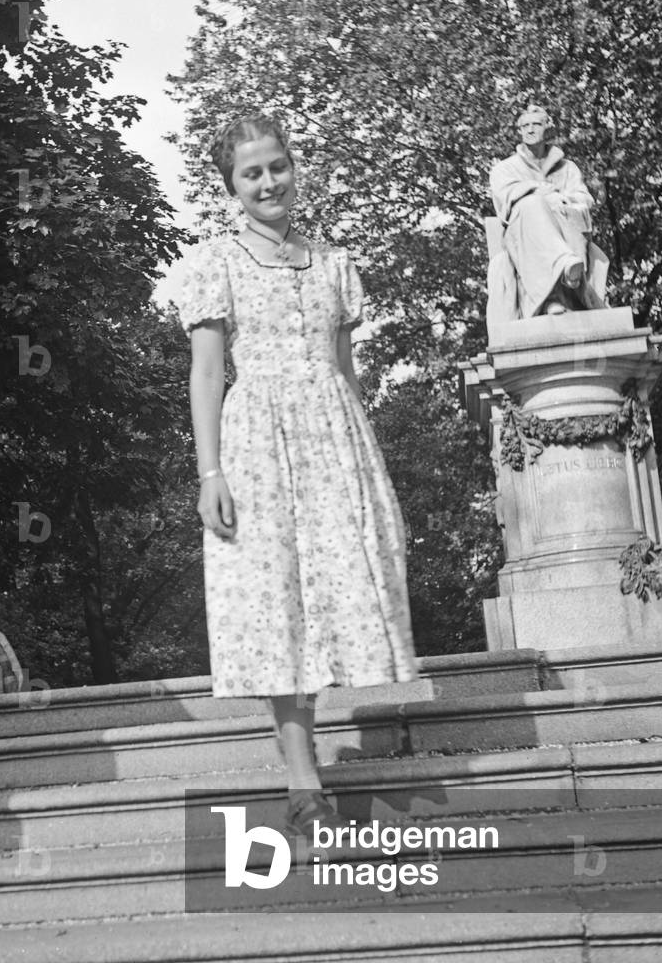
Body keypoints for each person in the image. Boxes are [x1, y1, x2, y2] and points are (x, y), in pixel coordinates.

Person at [177, 113, 418, 838]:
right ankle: (303, 778)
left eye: (277, 166)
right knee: (275, 597)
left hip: (335, 439)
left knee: (339, 591)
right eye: (251, 173)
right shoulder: (215, 263)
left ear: (293, 167)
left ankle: (312, 754)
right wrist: (210, 472)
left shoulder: (335, 265)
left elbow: (346, 372)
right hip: (256, 441)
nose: (268, 183)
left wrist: (367, 461)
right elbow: (207, 373)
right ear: (232, 186)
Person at [487, 104, 606, 324]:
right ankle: (563, 268)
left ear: (547, 129)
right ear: (519, 131)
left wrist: (560, 201)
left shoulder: (567, 168)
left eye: (536, 124)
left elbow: (583, 198)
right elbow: (505, 198)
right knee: (530, 205)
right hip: (521, 234)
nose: (530, 130)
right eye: (525, 126)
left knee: (545, 207)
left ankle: (559, 291)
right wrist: (539, 191)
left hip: (564, 227)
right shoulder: (505, 169)